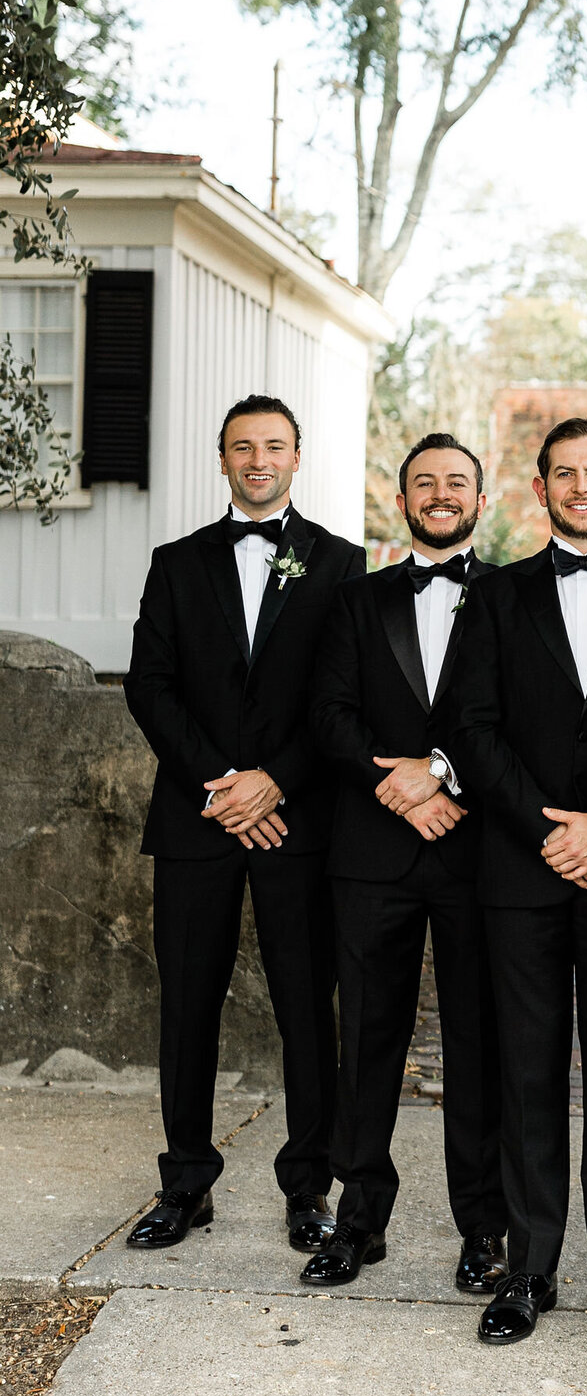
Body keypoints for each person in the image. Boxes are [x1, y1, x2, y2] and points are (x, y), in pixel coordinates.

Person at [123, 396, 365, 1251]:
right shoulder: (176, 562)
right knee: (188, 1005)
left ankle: (309, 1187)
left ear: (298, 455)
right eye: (242, 447)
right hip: (198, 820)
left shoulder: (342, 564)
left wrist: (275, 784)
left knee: (309, 1005)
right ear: (221, 459)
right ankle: (186, 1182)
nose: (258, 459)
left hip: (299, 824)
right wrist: (223, 785)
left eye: (273, 446)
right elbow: (149, 685)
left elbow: (342, 699)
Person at [452, 418, 587, 1352]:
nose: (581, 486)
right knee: (527, 1074)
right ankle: (530, 1268)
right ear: (539, 489)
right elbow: (473, 727)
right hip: (521, 871)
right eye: (563, 474)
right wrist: (550, 829)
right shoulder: (495, 595)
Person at [305, 433, 505, 1292]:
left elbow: (516, 718)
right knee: (370, 1041)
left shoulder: (510, 596)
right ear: (401, 501)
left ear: (481, 500)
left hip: (476, 853)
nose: (440, 494)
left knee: (477, 1042)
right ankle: (358, 1222)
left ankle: (484, 1227)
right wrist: (394, 788)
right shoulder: (356, 601)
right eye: (425, 483)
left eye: (456, 482)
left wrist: (443, 777)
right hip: (372, 853)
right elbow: (326, 712)